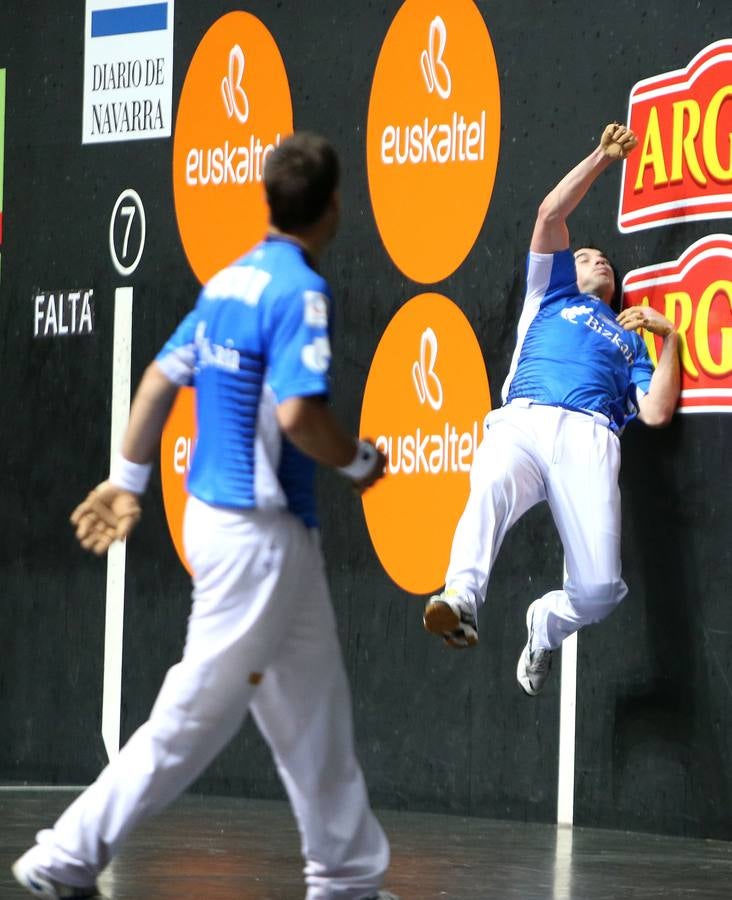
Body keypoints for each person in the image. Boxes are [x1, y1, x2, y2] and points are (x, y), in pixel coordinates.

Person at [12, 132, 399, 900]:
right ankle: (63, 855)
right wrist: (358, 462)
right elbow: (297, 415)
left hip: (235, 527)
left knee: (315, 707)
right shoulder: (299, 290)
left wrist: (128, 479)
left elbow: (158, 378)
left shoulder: (228, 282)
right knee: (189, 718)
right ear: (333, 206)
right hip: (259, 535)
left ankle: (348, 877)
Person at [422, 123, 681, 696]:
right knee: (489, 483)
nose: (598, 261)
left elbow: (658, 413)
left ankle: (545, 624)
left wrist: (670, 342)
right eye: (587, 255)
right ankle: (460, 598)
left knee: (598, 592)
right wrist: (599, 158)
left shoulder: (628, 340)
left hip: (590, 438)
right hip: (525, 417)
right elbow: (548, 217)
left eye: (605, 261)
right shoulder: (551, 292)